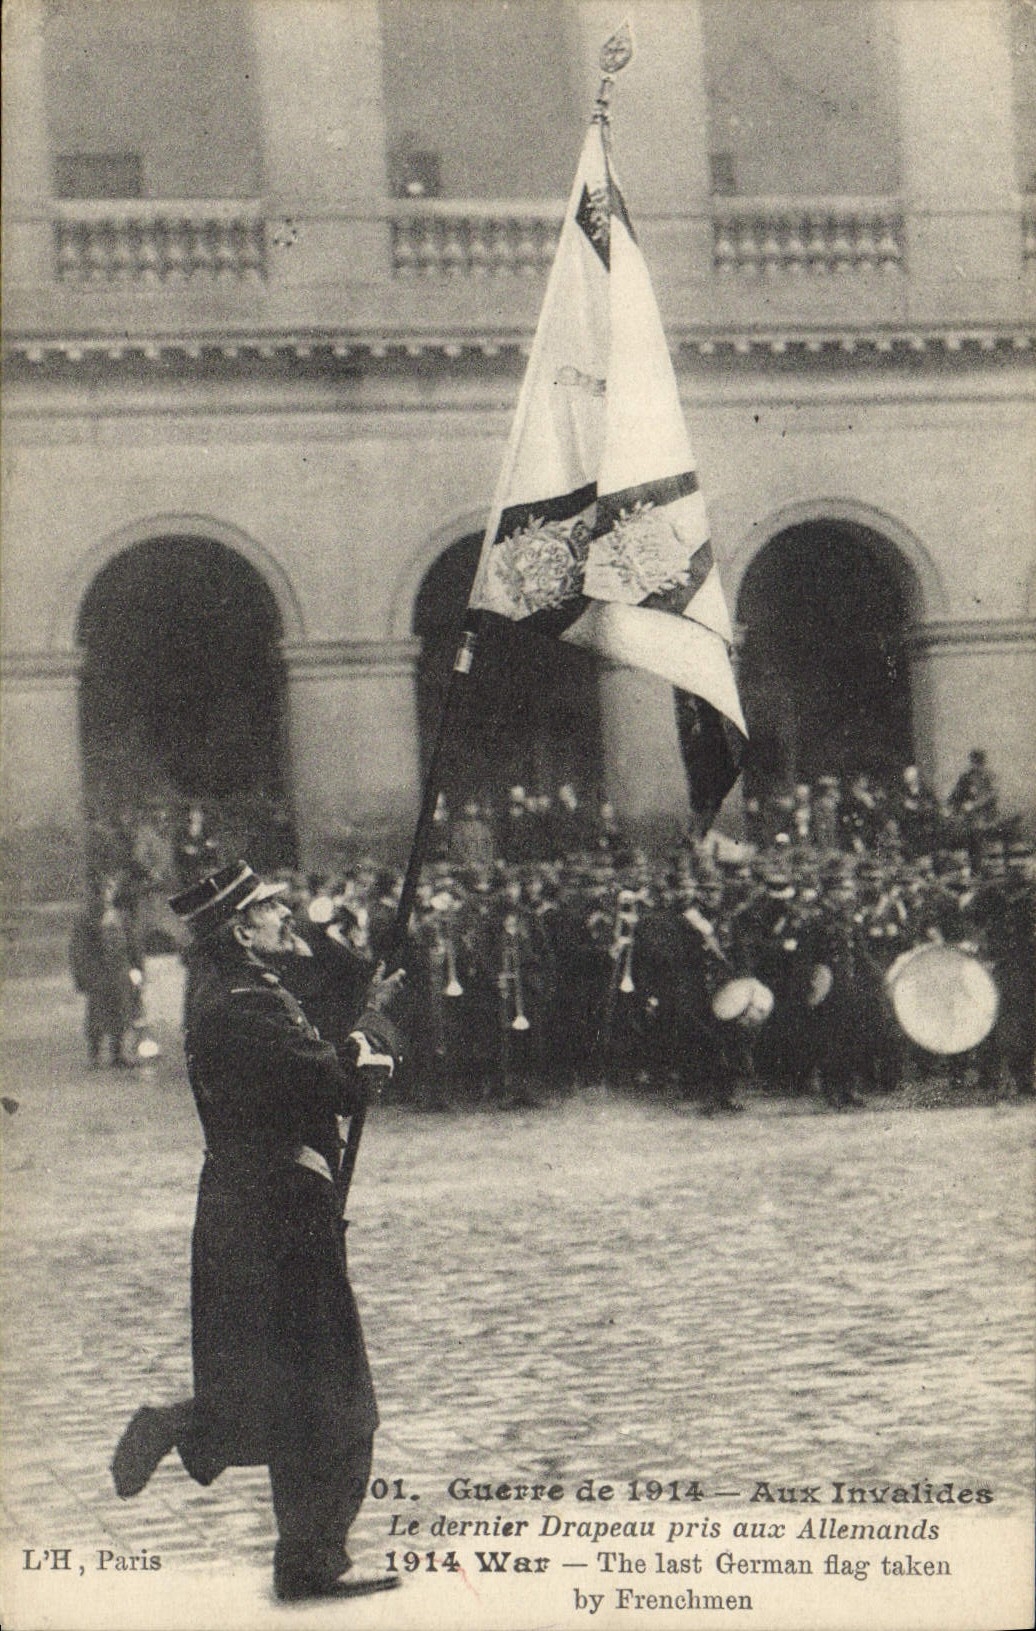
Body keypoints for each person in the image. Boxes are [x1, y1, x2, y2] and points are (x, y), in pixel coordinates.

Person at [110, 861, 405, 1602]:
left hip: (256, 1204)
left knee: (295, 1385)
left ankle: (306, 1556)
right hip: (279, 1211)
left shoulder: (239, 992)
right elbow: (338, 1082)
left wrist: (352, 990)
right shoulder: (245, 1003)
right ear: (242, 928)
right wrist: (375, 1023)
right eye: (274, 908)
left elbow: (301, 1056)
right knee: (340, 1395)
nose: (288, 916)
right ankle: (195, 1433)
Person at [69, 875, 144, 1067]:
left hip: (119, 970)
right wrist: (83, 975)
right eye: (101, 891)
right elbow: (79, 950)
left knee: (121, 1011)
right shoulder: (86, 919)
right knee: (97, 1013)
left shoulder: (120, 916)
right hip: (98, 972)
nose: (105, 895)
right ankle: (95, 1053)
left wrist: (137, 968)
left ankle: (117, 1052)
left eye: (109, 890)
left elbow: (132, 944)